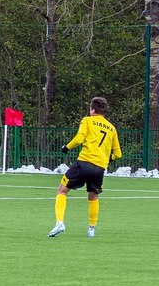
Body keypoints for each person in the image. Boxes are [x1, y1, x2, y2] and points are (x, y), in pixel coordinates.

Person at [49, 96, 121, 238]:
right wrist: (107, 159)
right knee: (93, 197)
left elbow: (79, 138)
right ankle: (91, 229)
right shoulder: (112, 128)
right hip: (99, 168)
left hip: (84, 163)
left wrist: (66, 147)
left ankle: (60, 223)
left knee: (62, 190)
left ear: (92, 110)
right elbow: (118, 154)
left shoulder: (87, 120)